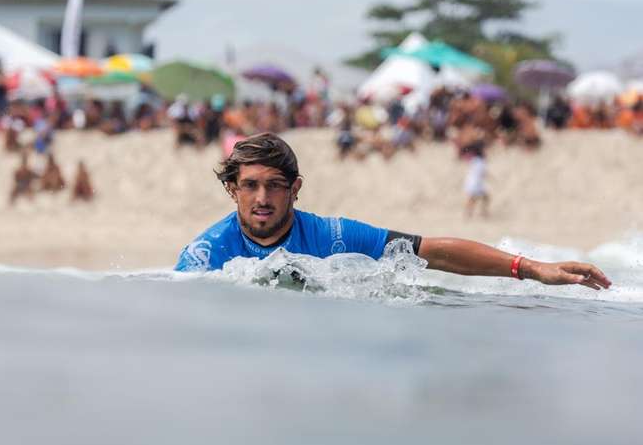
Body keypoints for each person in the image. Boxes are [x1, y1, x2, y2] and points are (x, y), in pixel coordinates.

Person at [174, 134, 611, 291]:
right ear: (232, 190)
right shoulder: (205, 255)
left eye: (275, 185)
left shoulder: (335, 236)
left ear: (296, 189)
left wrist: (533, 268)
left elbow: (432, 252)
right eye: (249, 186)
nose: (262, 197)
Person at [463, 144, 489, 218]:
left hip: (473, 182)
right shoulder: (480, 161)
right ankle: (480, 213)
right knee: (476, 198)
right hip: (476, 183)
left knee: (478, 198)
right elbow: (482, 172)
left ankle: (471, 213)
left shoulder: (476, 160)